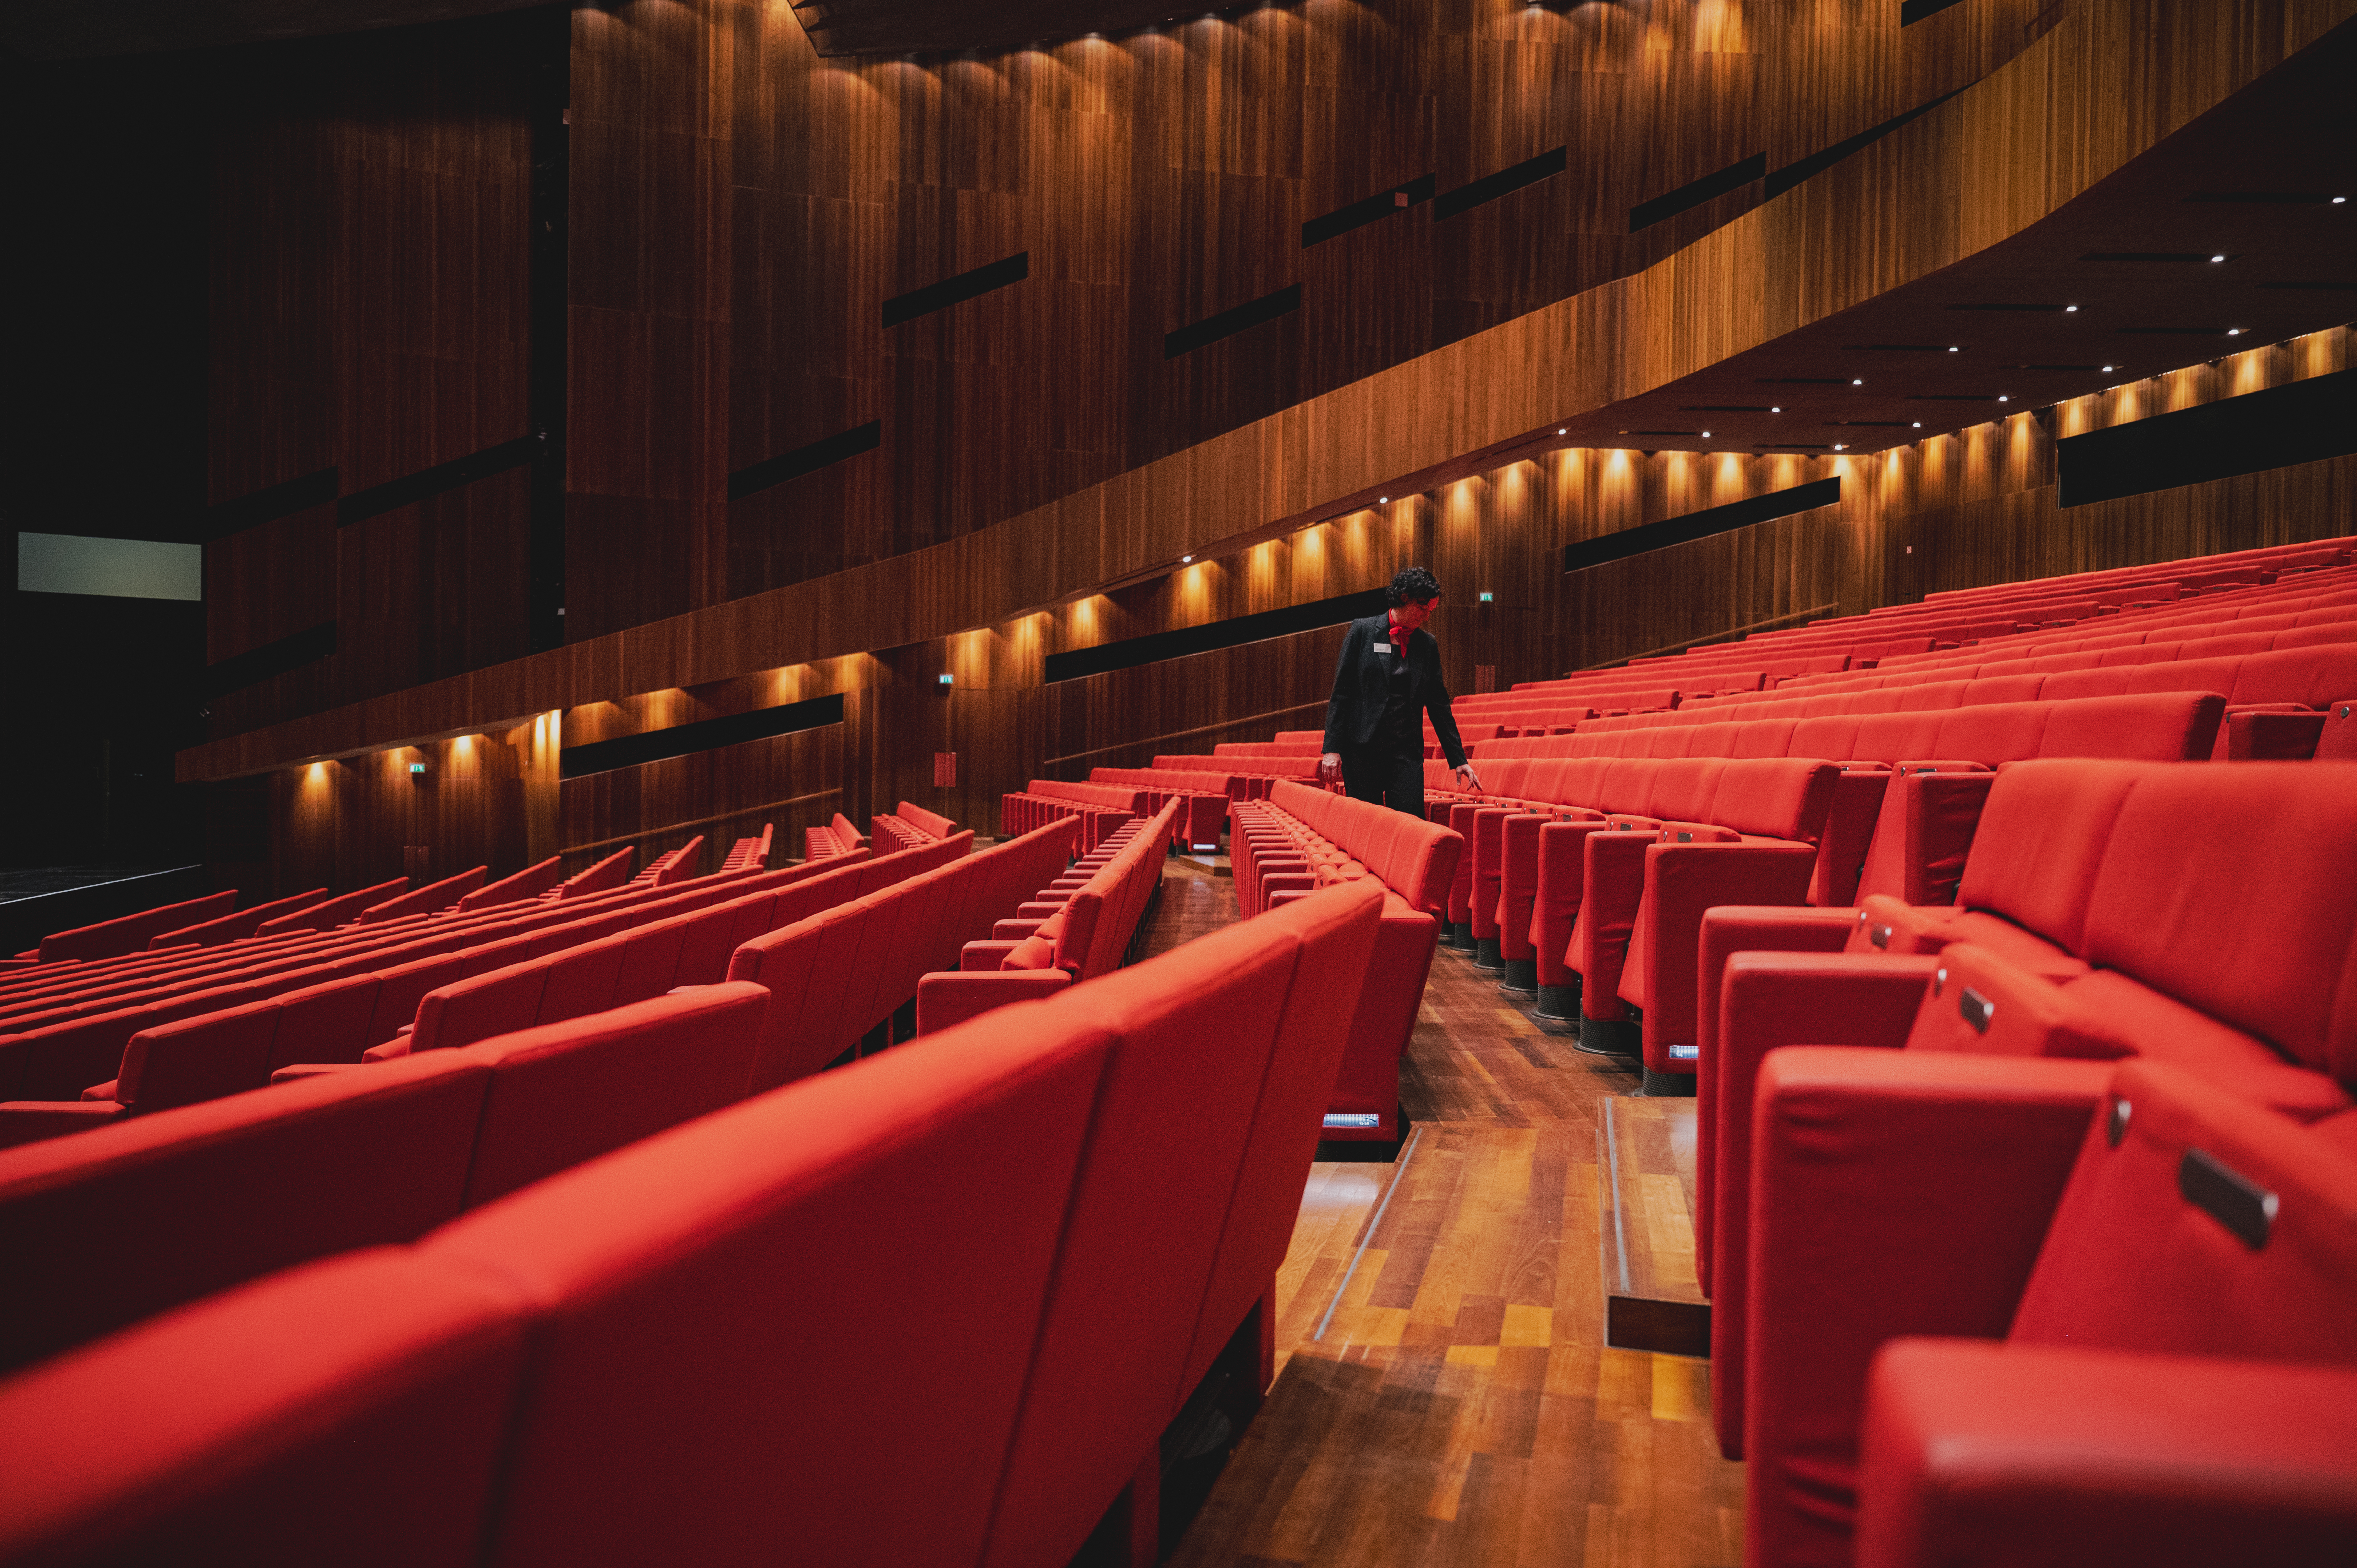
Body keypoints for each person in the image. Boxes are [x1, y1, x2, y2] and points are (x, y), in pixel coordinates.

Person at [1320, 566, 1483, 818]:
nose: (1427, 617)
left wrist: (1459, 759)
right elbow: (1342, 693)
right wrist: (1332, 748)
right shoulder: (1362, 631)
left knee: (1411, 821)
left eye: (1431, 611)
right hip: (1363, 750)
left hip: (1406, 752)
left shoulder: (1427, 645)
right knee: (1366, 823)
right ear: (1405, 597)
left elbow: (1439, 705)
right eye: (1424, 608)